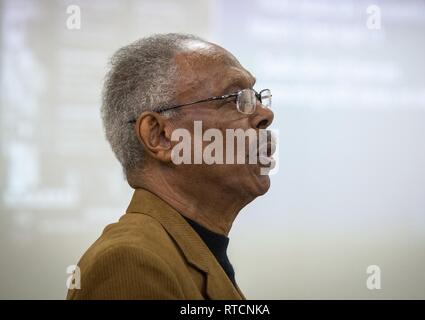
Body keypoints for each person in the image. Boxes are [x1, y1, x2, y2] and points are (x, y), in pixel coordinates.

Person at [67, 33, 275, 300]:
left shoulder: (192, 254)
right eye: (234, 98)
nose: (266, 115)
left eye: (256, 97)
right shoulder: (129, 262)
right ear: (161, 136)